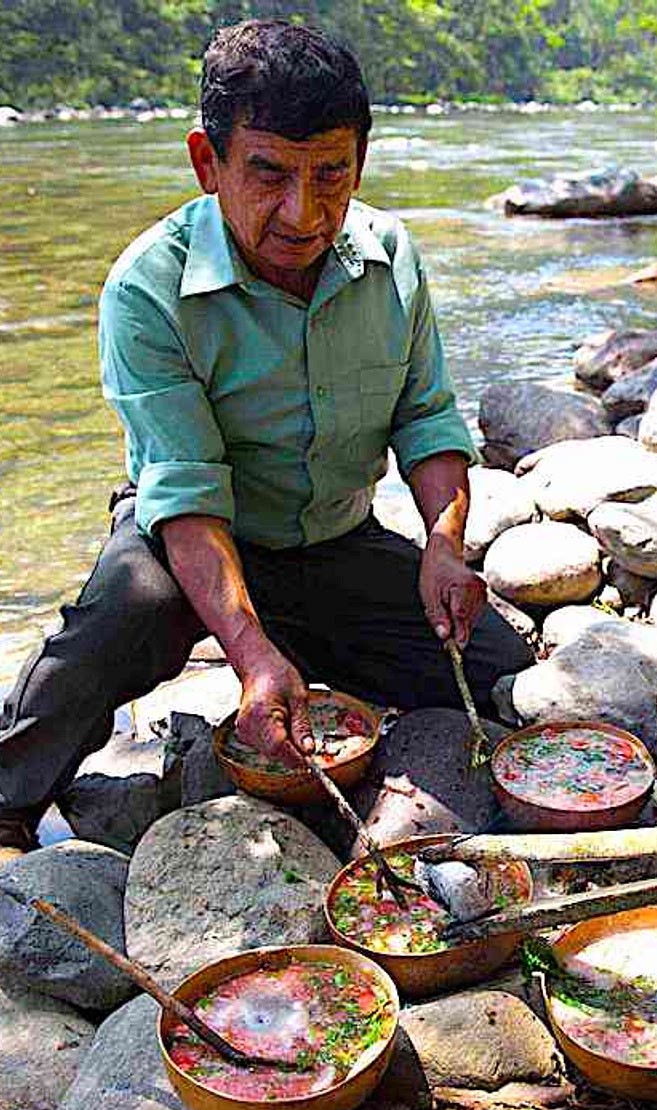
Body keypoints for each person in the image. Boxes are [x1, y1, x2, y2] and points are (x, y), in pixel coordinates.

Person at [0, 19, 533, 864]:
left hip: (333, 536)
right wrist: (248, 652)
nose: (304, 213)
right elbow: (185, 489)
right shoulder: (149, 287)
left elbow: (426, 419)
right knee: (126, 613)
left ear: (361, 160)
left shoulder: (392, 258)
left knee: (498, 678)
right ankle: (9, 799)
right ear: (207, 163)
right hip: (189, 538)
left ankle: (307, 655)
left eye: (331, 174)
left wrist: (444, 545)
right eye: (270, 174)